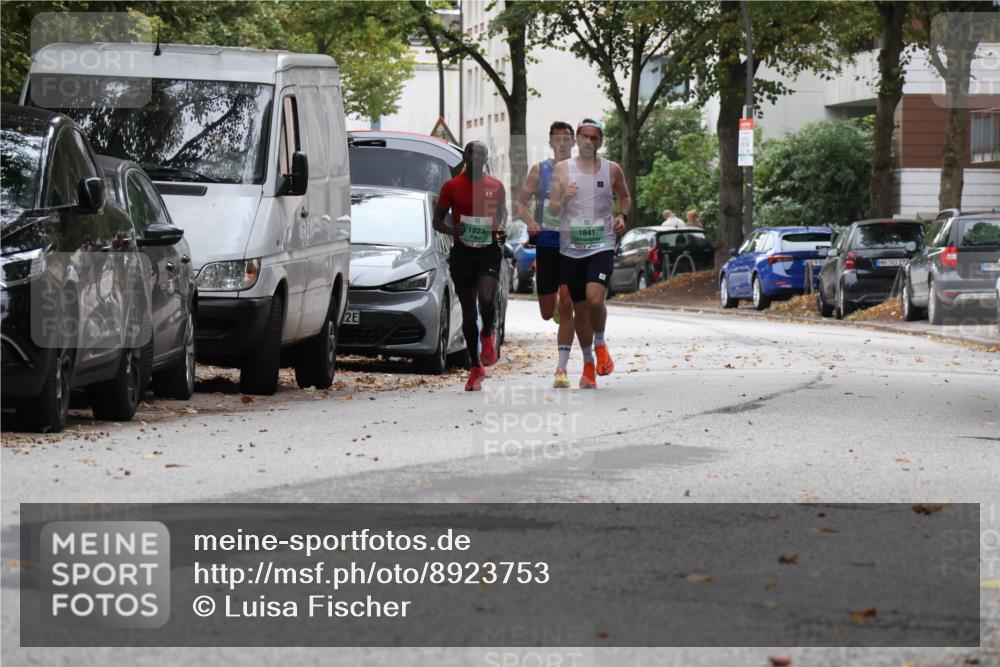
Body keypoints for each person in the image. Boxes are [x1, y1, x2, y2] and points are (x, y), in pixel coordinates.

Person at [548, 118, 630, 389]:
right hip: (571, 249)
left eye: (594, 138)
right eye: (583, 136)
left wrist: (622, 215)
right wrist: (565, 198)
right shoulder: (562, 169)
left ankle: (601, 344)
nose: (588, 141)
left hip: (602, 244)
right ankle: (588, 366)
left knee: (595, 300)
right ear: (576, 140)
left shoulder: (612, 169)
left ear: (600, 142)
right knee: (580, 310)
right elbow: (554, 210)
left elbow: (625, 197)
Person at [433, 141, 507, 391]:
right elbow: (437, 220)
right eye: (471, 154)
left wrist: (499, 232)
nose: (476, 158)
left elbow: (502, 215)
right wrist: (453, 229)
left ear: (486, 159)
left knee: (487, 298)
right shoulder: (451, 186)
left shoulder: (496, 186)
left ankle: (488, 332)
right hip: (463, 253)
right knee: (467, 311)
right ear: (465, 156)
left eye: (481, 155)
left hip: (488, 251)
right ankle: (475, 366)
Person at [514, 121, 576, 389]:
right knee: (546, 311)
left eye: (567, 139)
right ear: (550, 143)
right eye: (557, 139)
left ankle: (561, 370)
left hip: (573, 245)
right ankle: (557, 306)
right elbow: (520, 203)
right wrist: (530, 221)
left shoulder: (584, 170)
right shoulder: (540, 170)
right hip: (547, 243)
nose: (562, 143)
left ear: (573, 143)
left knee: (567, 303)